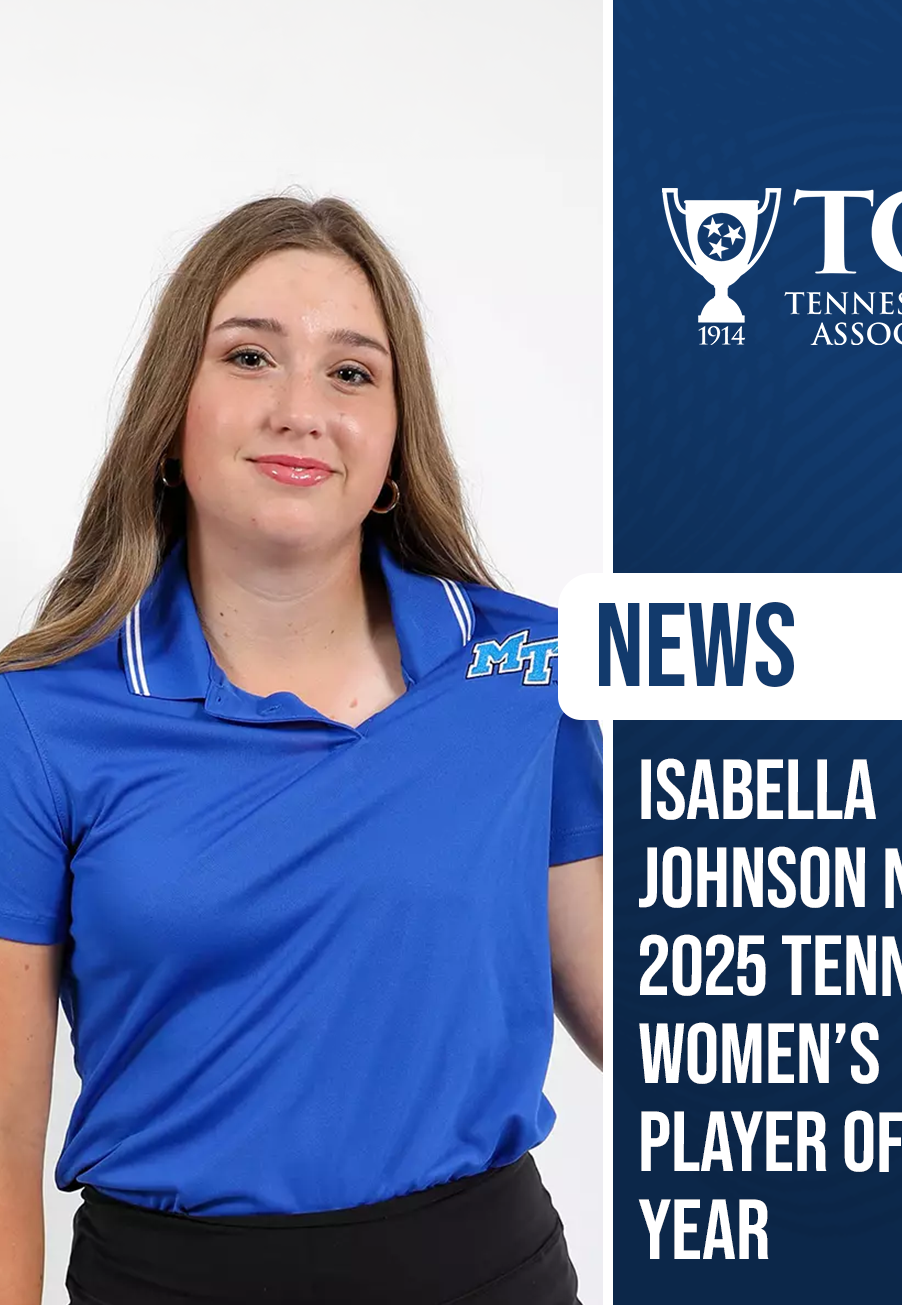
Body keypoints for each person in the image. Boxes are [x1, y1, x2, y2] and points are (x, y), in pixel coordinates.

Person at [0, 195, 603, 1305]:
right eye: (249, 357)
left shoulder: (527, 667)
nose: (301, 411)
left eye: (352, 373)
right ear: (170, 417)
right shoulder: (37, 718)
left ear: (395, 443)